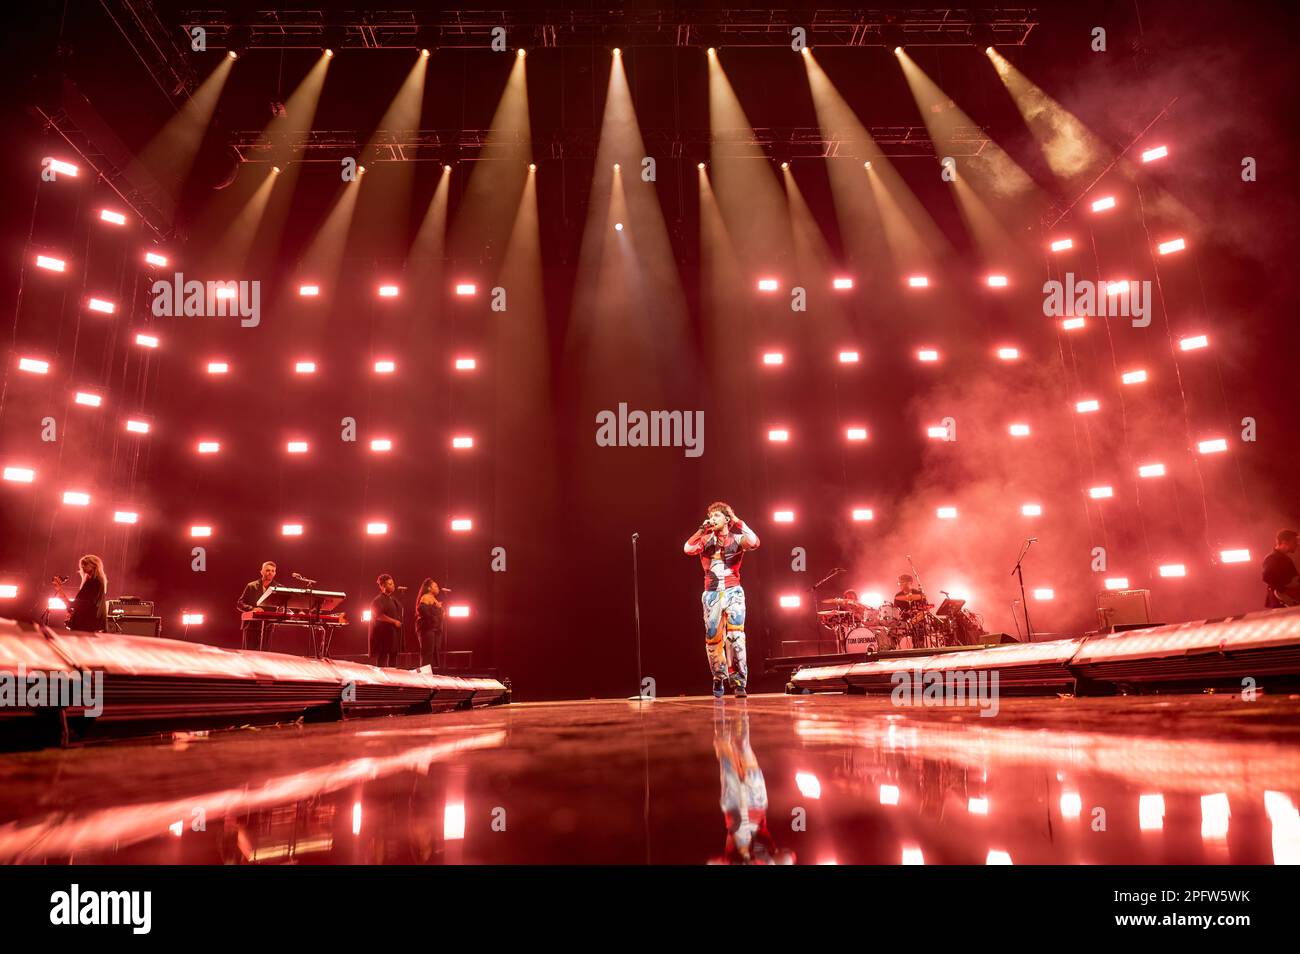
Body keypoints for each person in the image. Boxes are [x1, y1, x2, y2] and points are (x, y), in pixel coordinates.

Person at [684, 501, 760, 699]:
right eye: (712, 516)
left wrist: (737, 520)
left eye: (717, 516)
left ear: (726, 519)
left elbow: (754, 542)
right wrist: (702, 528)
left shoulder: (736, 538)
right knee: (713, 638)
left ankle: (738, 682)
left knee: (736, 637)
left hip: (733, 591)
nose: (713, 519)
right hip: (711, 594)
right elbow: (687, 548)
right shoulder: (706, 539)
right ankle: (719, 677)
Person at [52, 554, 107, 632]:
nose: (83, 567)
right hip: (85, 625)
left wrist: (69, 603)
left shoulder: (96, 582)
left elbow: (87, 603)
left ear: (94, 566)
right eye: (82, 565)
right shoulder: (90, 582)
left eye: (85, 564)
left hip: (87, 626)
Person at [236, 561, 278, 650]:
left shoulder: (278, 587)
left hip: (267, 626)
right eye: (267, 570)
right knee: (249, 654)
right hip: (251, 626)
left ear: (275, 573)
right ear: (261, 571)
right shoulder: (251, 586)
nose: (270, 572)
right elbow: (240, 603)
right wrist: (253, 609)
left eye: (272, 571)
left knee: (265, 655)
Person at [369, 574, 404, 668]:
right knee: (382, 658)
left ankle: (392, 679)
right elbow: (378, 615)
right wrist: (394, 621)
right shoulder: (378, 600)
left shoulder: (393, 599)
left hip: (393, 634)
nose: (393, 586)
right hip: (383, 634)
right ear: (383, 586)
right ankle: (381, 680)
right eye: (390, 584)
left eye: (393, 584)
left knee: (393, 658)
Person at [1263, 529, 1300, 608]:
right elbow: (1267, 577)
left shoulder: (1285, 559)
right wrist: (1284, 590)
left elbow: (1294, 580)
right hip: (1280, 602)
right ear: (1284, 542)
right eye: (1294, 542)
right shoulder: (1272, 558)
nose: (1297, 544)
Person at [414, 578, 445, 669]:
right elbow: (422, 610)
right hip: (427, 629)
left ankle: (433, 673)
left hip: (435, 629)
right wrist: (437, 610)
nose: (438, 588)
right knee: (428, 652)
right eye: (435, 586)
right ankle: (425, 675)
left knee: (434, 652)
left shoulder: (434, 599)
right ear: (429, 588)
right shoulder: (426, 597)